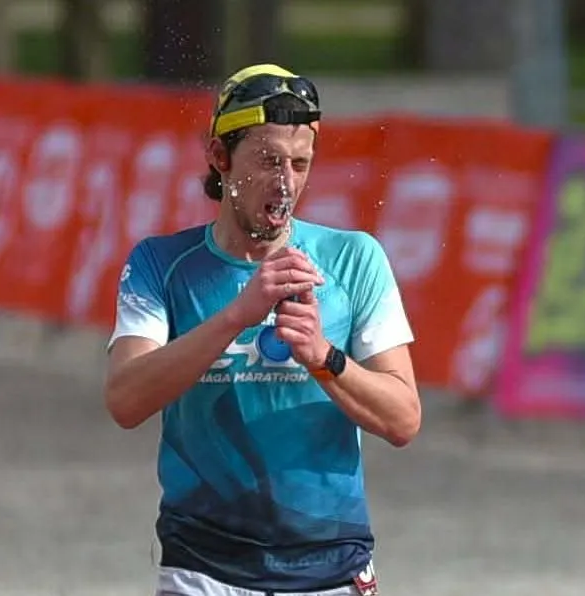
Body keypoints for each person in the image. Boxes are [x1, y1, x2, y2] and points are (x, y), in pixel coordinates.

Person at [103, 63, 421, 596]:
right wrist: (236, 316)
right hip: (202, 568)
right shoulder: (161, 263)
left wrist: (323, 357)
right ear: (219, 156)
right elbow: (125, 400)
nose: (286, 182)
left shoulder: (354, 258)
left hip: (330, 568)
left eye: (300, 163)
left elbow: (403, 419)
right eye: (269, 160)